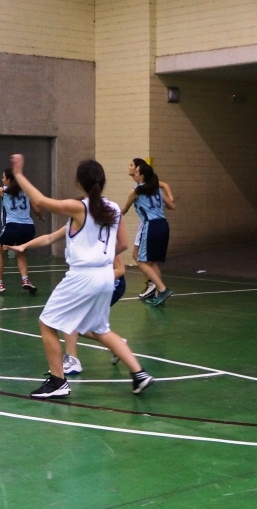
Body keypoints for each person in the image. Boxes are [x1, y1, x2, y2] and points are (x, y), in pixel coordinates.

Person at [10, 154, 154, 399]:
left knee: (47, 323)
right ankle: (139, 373)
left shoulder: (80, 207)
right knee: (100, 329)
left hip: (83, 276)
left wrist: (19, 175)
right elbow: (122, 243)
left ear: (79, 182)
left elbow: (41, 201)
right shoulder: (113, 208)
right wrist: (101, 255)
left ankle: (58, 381)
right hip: (106, 276)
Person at [10, 225, 128, 375]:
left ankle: (73, 360)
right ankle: (117, 343)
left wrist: (93, 281)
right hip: (90, 283)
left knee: (70, 318)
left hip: (110, 284)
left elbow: (120, 269)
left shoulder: (100, 235)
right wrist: (24, 246)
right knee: (78, 323)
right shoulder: (75, 224)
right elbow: (49, 238)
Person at [122, 158, 175, 306]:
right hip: (163, 225)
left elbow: (123, 210)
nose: (134, 173)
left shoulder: (136, 191)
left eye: (136, 171)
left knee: (141, 261)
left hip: (151, 226)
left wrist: (106, 218)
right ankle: (159, 294)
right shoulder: (156, 189)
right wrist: (170, 197)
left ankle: (162, 289)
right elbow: (172, 206)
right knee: (152, 262)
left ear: (141, 176)